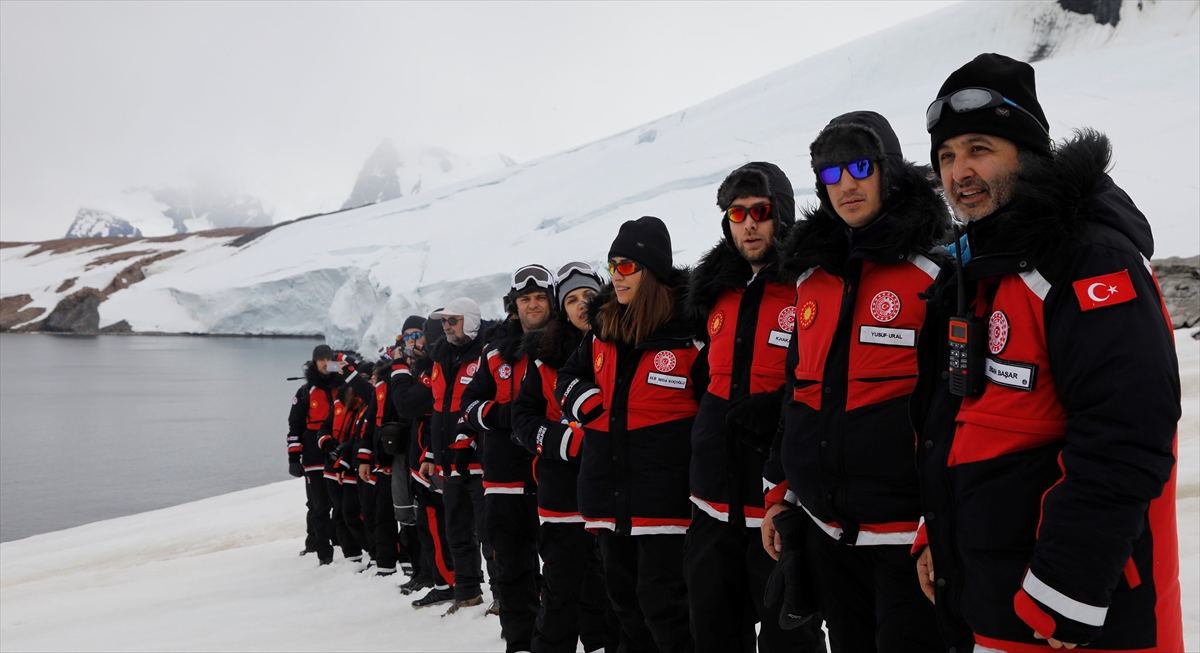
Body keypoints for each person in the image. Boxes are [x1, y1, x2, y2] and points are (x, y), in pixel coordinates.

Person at [913, 53, 1182, 652]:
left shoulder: (1087, 259)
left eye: (980, 149)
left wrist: (1067, 589)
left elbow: (1127, 429)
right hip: (995, 597)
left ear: (1027, 154)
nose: (961, 173)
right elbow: (957, 422)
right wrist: (936, 532)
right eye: (948, 156)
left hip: (1076, 616)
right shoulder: (975, 270)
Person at [762, 110, 950, 652]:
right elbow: (798, 393)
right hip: (827, 532)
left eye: (860, 166)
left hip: (906, 537)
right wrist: (780, 491)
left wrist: (941, 525)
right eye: (830, 173)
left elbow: (956, 411)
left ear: (888, 169)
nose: (845, 184)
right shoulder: (811, 279)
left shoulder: (935, 271)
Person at [684, 162, 825, 653]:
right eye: (736, 212)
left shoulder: (809, 285)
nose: (748, 223)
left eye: (759, 212)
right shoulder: (716, 293)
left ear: (780, 215)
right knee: (714, 631)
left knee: (791, 637)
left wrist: (779, 407)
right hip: (710, 499)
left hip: (779, 500)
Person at [557, 216, 708, 653]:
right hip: (608, 497)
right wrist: (584, 401)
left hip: (665, 502)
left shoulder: (687, 333)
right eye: (613, 265)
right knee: (624, 607)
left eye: (627, 266)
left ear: (653, 270)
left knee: (665, 607)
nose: (616, 276)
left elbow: (714, 407)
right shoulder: (603, 328)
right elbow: (567, 377)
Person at [512, 261, 617, 653]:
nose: (580, 304)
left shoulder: (623, 344)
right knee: (559, 596)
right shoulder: (544, 359)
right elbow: (523, 420)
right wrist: (571, 443)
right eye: (570, 299)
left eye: (587, 295)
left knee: (609, 596)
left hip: (614, 497)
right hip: (563, 499)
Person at [457, 265, 555, 650]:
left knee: (567, 573)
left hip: (554, 478)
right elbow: (468, 407)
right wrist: (502, 416)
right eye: (525, 298)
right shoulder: (494, 353)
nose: (532, 304)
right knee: (512, 573)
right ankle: (520, 643)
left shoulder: (569, 347)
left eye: (540, 297)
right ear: (514, 305)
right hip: (503, 481)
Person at [417, 298, 497, 615]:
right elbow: (437, 411)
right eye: (445, 322)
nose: (447, 326)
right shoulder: (442, 359)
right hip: (449, 463)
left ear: (472, 320)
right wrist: (432, 453)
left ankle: (503, 595)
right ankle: (466, 593)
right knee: (457, 531)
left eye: (454, 320)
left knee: (490, 533)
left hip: (480, 460)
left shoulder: (487, 354)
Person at [395, 316, 458, 607]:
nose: (411, 342)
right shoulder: (427, 368)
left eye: (417, 335)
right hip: (423, 459)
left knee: (440, 525)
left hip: (433, 461)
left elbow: (407, 404)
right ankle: (437, 578)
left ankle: (450, 582)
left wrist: (397, 370)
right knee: (428, 525)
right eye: (406, 337)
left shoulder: (435, 369)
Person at [286, 344, 344, 565]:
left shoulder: (344, 387)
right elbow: (295, 426)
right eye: (321, 359)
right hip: (313, 456)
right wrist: (294, 457)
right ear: (314, 362)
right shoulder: (305, 392)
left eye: (329, 359)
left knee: (341, 503)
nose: (325, 363)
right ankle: (318, 547)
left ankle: (340, 541)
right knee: (318, 504)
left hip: (337, 453)